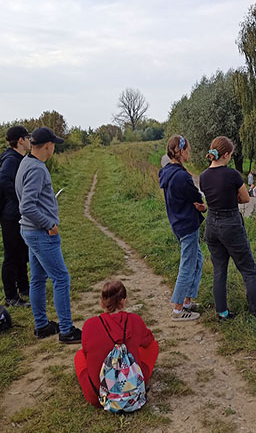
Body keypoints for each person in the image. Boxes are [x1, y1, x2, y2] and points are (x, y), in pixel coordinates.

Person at [199, 136, 256, 324]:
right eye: (231, 155)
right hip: (231, 224)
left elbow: (210, 199)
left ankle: (222, 313)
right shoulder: (232, 175)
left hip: (211, 224)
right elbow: (246, 199)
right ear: (226, 155)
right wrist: (230, 198)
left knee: (219, 270)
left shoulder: (203, 177)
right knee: (248, 269)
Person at [15, 127, 81, 343]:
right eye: (53, 144)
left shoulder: (26, 162)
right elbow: (27, 206)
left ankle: (42, 325)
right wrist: (49, 224)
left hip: (29, 231)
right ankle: (66, 330)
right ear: (47, 146)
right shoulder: (37, 169)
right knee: (61, 278)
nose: (54, 147)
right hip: (41, 233)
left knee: (38, 279)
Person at [74, 280, 159, 407]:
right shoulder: (135, 320)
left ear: (101, 302)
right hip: (133, 391)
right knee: (152, 346)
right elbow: (148, 341)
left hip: (98, 395)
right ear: (123, 301)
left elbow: (86, 353)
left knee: (80, 355)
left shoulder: (90, 325)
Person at [159, 134, 206, 321]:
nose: (190, 153)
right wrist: (202, 204)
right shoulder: (181, 176)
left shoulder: (167, 172)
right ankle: (178, 309)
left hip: (177, 222)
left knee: (197, 260)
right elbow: (196, 196)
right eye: (188, 150)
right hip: (187, 225)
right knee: (187, 265)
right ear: (180, 152)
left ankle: (187, 301)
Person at [0, 126, 31, 307]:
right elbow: (3, 180)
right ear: (20, 140)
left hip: (17, 213)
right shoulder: (11, 160)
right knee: (11, 255)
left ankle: (24, 287)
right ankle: (11, 297)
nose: (29, 140)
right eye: (27, 137)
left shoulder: (18, 158)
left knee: (21, 252)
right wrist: (21, 198)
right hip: (11, 215)